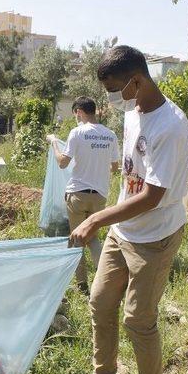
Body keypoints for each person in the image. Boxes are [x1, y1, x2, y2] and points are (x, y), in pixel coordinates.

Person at [64, 46, 188, 374]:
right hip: (123, 232)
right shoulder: (133, 113)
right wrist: (109, 221)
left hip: (155, 236)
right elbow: (130, 175)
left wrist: (95, 219)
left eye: (114, 88)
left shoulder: (171, 125)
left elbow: (152, 196)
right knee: (100, 304)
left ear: (136, 80)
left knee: (138, 319)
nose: (111, 97)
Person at [47, 96, 120, 295]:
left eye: (75, 114)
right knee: (93, 237)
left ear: (79, 112)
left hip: (77, 194)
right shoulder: (110, 135)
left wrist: (54, 142)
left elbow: (62, 162)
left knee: (77, 239)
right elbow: (115, 167)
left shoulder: (77, 132)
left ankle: (82, 286)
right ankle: (105, 280)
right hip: (99, 195)